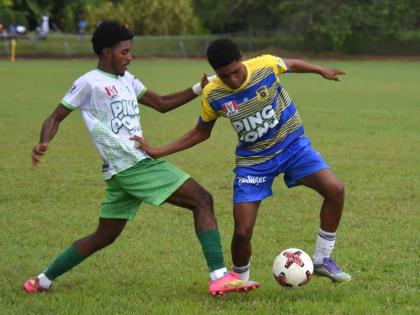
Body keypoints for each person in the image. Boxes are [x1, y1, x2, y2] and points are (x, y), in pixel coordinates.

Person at [23, 22, 259, 296]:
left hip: (121, 170)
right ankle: (219, 276)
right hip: (133, 163)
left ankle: (42, 280)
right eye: (124, 52)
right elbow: (55, 117)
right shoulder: (88, 82)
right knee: (202, 199)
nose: (129, 56)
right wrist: (44, 141)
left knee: (104, 235)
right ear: (107, 52)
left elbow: (162, 104)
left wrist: (198, 88)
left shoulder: (127, 79)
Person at [133, 38, 352, 284]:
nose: (233, 80)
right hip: (254, 162)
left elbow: (291, 64)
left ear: (242, 59)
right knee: (242, 232)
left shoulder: (265, 65)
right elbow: (201, 132)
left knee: (335, 190)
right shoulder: (212, 93)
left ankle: (323, 258)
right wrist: (160, 151)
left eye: (236, 71)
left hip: (293, 147)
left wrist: (320, 70)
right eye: (225, 76)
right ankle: (239, 279)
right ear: (216, 73)